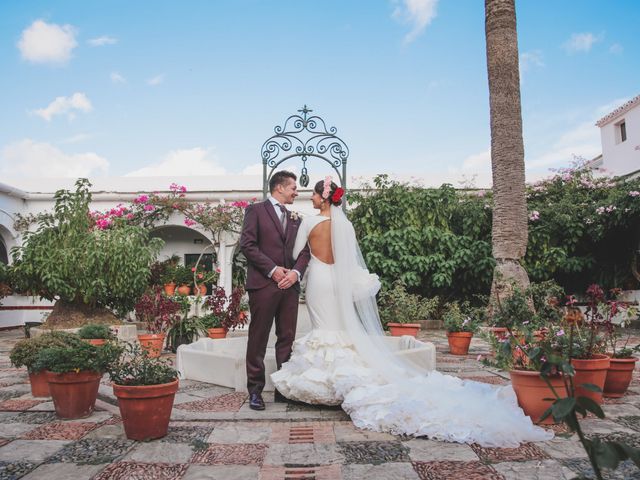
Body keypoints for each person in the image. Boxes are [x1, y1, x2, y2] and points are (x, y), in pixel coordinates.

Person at [271, 177, 553, 447]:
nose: (312, 198)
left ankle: (324, 381)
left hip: (320, 279)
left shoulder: (309, 221)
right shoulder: (346, 227)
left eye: (315, 194)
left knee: (324, 328)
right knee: (340, 328)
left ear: (322, 198)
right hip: (340, 281)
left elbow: (297, 252)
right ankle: (341, 377)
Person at [240, 170, 310, 411]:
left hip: (289, 288)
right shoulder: (255, 211)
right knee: (258, 338)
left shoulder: (296, 220)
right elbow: (247, 245)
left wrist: (294, 273)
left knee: (287, 338)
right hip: (263, 285)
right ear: (280, 187)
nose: (296, 192)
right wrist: (272, 270)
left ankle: (284, 388)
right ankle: (255, 392)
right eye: (293, 188)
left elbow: (305, 251)